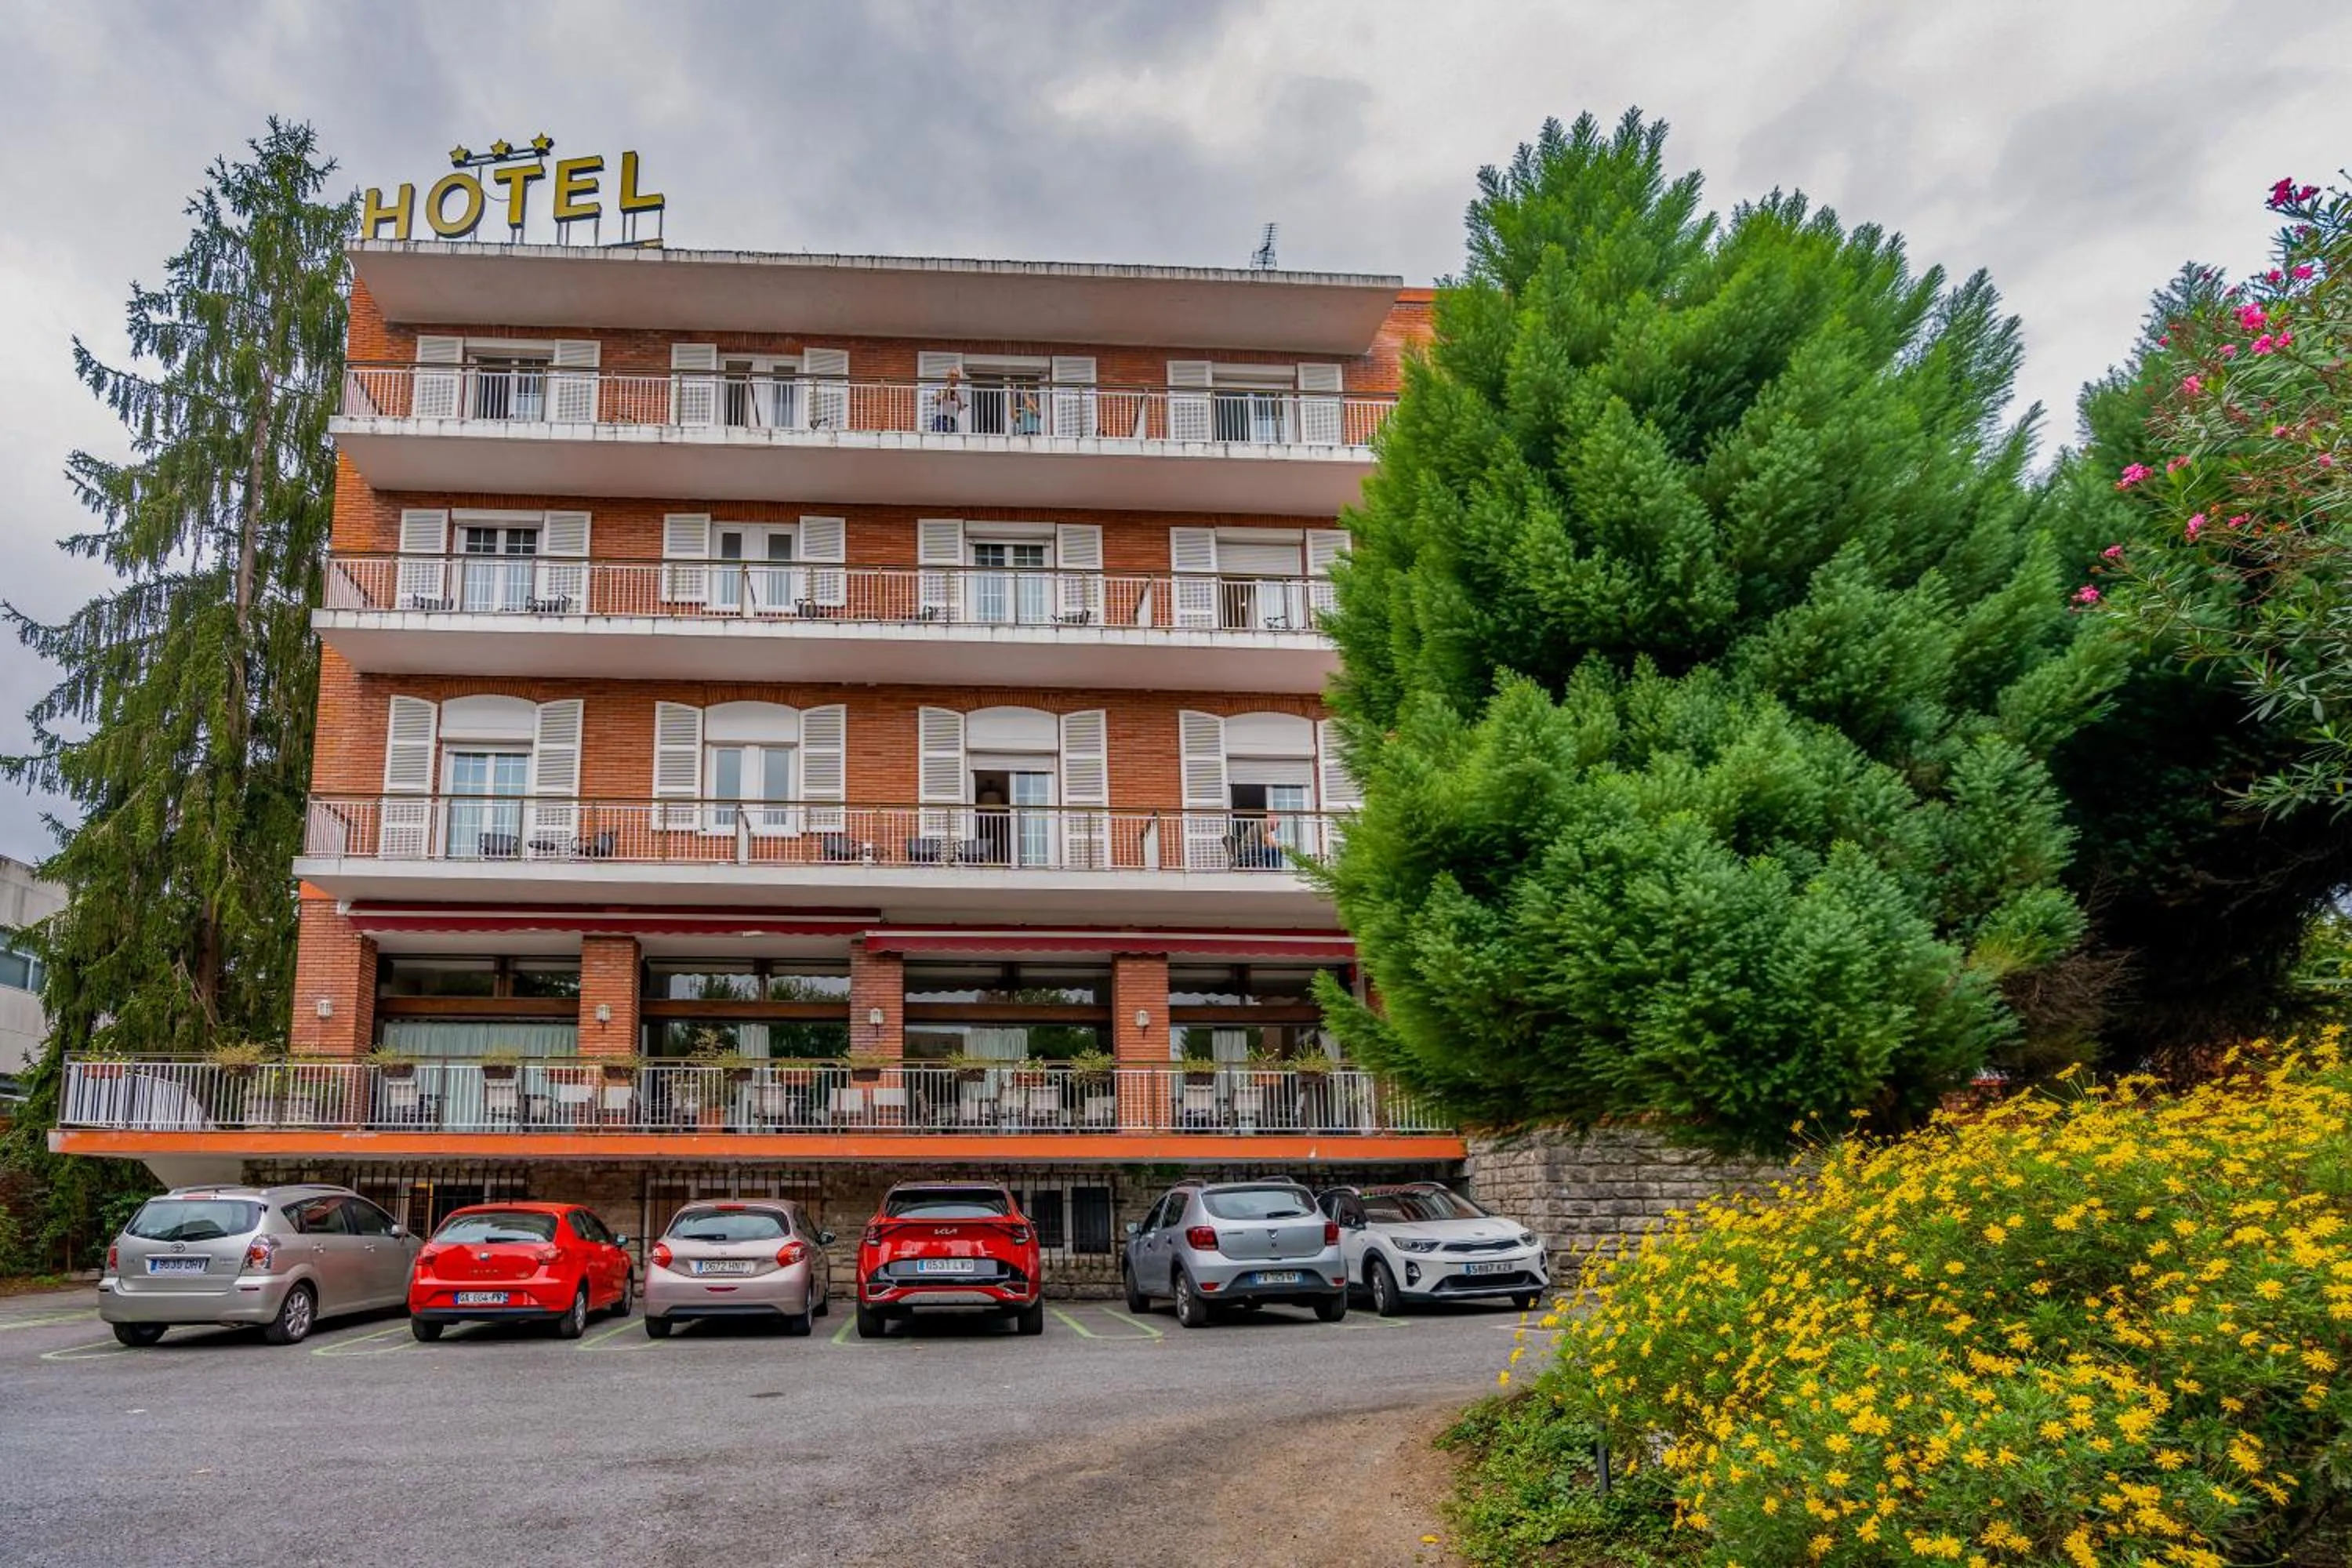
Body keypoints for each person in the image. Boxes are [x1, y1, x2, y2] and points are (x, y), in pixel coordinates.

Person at [931, 366, 965, 432]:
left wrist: (958, 398)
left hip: (953, 420)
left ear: (958, 378)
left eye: (956, 376)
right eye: (952, 375)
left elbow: (962, 408)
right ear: (948, 377)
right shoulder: (941, 389)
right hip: (940, 419)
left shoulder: (960, 391)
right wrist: (945, 393)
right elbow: (936, 401)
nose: (954, 377)